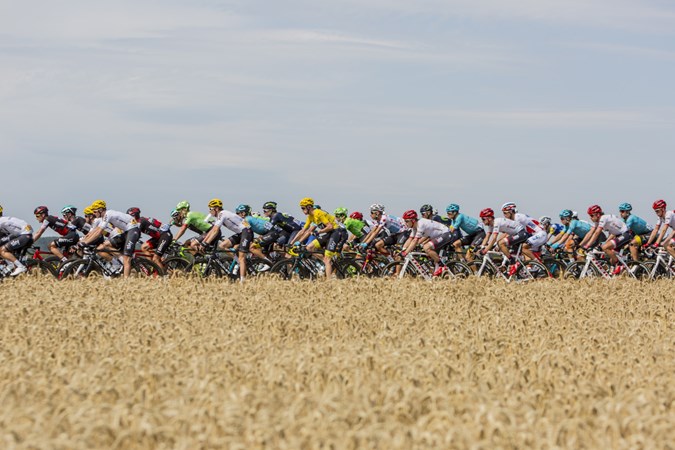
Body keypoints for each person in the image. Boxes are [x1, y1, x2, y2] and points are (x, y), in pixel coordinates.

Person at [79, 200, 141, 277]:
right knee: (105, 245)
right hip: (126, 232)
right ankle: (119, 262)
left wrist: (86, 242)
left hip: (133, 230)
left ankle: (126, 282)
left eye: (95, 212)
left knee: (127, 259)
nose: (93, 214)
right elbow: (95, 231)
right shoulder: (103, 217)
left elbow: (98, 232)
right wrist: (83, 241)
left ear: (100, 210)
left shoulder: (108, 214)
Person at [200, 199, 251, 282]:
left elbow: (216, 231)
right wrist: (203, 242)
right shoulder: (220, 215)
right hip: (240, 233)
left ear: (216, 209)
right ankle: (238, 262)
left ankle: (242, 281)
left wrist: (206, 243)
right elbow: (212, 230)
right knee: (222, 246)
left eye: (210, 209)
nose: (209, 212)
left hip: (246, 232)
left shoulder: (222, 214)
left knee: (242, 258)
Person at [290, 198, 340, 278]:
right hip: (329, 233)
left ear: (309, 207)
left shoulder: (318, 213)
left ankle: (329, 280)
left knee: (327, 259)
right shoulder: (310, 216)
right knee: (309, 247)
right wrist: (293, 242)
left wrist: (318, 232)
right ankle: (325, 262)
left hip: (337, 232)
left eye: (303, 208)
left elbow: (330, 226)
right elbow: (303, 231)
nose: (302, 210)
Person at [400, 209, 455, 276]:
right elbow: (410, 239)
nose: (405, 223)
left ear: (413, 220)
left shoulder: (421, 224)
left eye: (407, 221)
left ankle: (442, 266)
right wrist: (403, 249)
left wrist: (405, 252)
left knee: (426, 247)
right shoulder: (414, 228)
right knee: (426, 250)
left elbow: (415, 240)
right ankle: (437, 273)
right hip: (437, 236)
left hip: (446, 234)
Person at [579, 205, 631, 275]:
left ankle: (619, 265)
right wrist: (582, 245)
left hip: (625, 234)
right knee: (611, 257)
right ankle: (614, 273)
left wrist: (587, 245)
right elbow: (590, 232)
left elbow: (597, 233)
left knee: (605, 247)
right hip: (618, 235)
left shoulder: (603, 218)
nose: (590, 218)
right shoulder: (598, 221)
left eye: (591, 215)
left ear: (597, 215)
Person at [478, 207, 529, 276]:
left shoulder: (496, 222)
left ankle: (513, 262)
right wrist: (481, 247)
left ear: (489, 218)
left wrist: (485, 250)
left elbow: (494, 238)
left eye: (483, 219)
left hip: (521, 233)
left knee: (501, 243)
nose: (482, 221)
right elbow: (487, 237)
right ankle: (518, 270)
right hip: (515, 234)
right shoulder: (491, 225)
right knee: (502, 248)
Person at [0, 205, 34, 276]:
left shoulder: (1, 221)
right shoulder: (4, 219)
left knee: (2, 250)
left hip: (24, 235)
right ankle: (14, 266)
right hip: (25, 234)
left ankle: (20, 267)